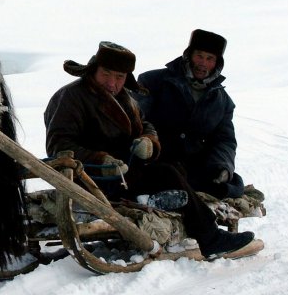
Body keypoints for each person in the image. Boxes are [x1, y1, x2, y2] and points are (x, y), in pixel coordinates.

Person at [43, 41, 255, 259]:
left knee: (173, 169)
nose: (112, 83)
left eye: (119, 77)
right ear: (94, 69)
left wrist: (148, 140)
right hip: (90, 179)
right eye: (106, 74)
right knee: (168, 173)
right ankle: (210, 238)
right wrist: (101, 160)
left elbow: (145, 124)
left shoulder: (124, 98)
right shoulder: (71, 97)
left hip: (125, 175)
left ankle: (170, 212)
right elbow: (58, 145)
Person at [135, 29, 245, 199]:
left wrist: (222, 167)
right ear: (189, 55)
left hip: (193, 168)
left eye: (210, 59)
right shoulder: (153, 81)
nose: (203, 63)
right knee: (169, 178)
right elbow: (137, 116)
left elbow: (225, 141)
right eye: (199, 56)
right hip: (156, 160)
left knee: (234, 184)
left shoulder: (223, 102)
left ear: (217, 63)